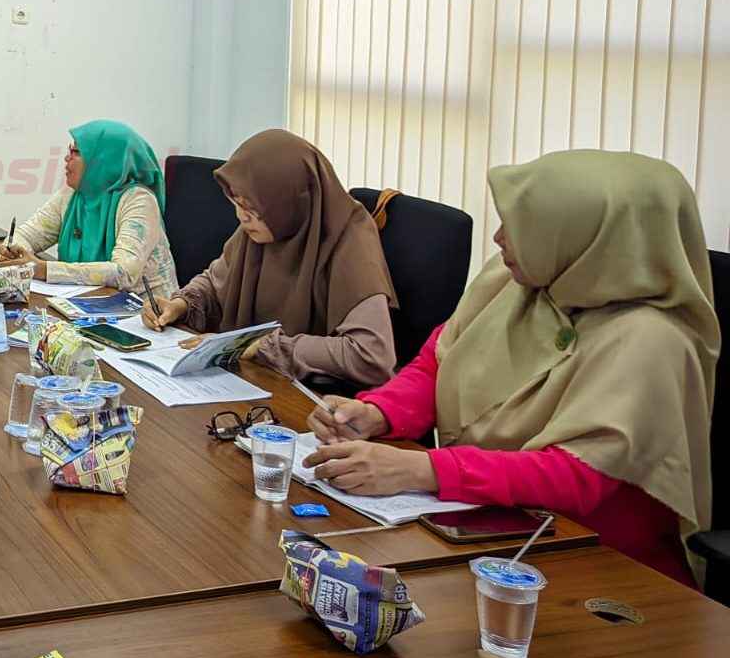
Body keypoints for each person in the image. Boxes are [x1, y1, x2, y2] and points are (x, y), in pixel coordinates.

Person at [305, 150, 717, 587]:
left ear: (587, 238)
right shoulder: (517, 282)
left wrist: (421, 470)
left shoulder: (654, 341)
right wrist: (377, 412)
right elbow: (438, 363)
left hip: (595, 566)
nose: (499, 238)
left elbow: (575, 476)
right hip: (487, 529)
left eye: (522, 229)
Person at [141, 129, 397, 387]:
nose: (241, 217)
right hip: (251, 381)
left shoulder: (350, 242)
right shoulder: (264, 229)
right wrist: (181, 304)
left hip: (312, 400)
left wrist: (265, 346)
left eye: (252, 208)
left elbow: (371, 355)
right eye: (237, 204)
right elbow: (216, 281)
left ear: (288, 202)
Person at [0, 120, 179, 299]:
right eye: (69, 151)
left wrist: (43, 269)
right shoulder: (73, 194)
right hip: (84, 305)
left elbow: (123, 272)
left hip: (146, 316)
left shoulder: (139, 201)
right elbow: (27, 234)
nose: (67, 158)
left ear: (103, 160)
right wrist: (12, 252)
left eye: (76, 152)